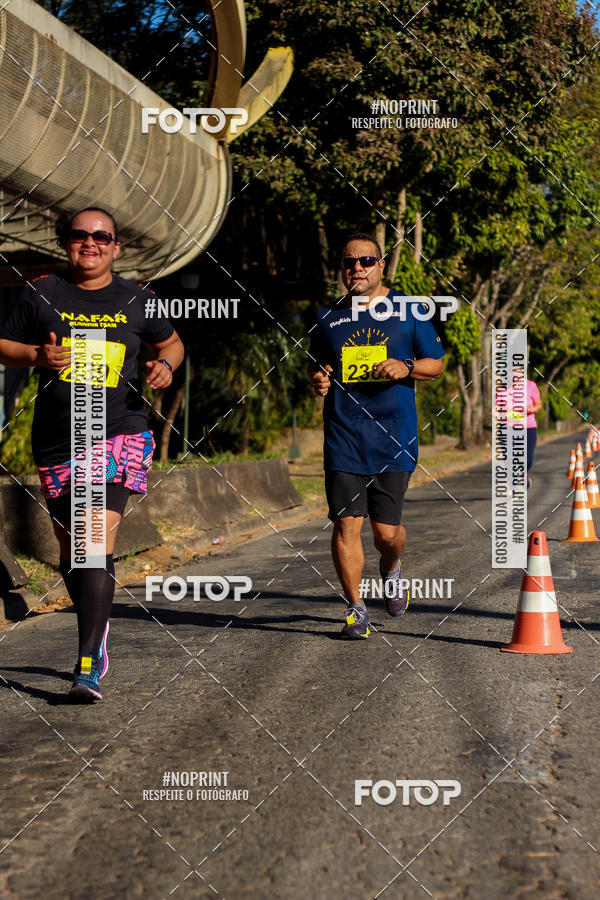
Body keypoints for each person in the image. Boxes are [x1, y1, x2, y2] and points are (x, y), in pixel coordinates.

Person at [0, 207, 184, 700]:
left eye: (101, 237)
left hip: (118, 433)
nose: (91, 243)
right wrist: (37, 356)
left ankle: (87, 664)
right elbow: (4, 345)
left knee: (91, 541)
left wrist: (165, 366)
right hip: (59, 438)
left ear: (116, 247)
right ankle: (96, 634)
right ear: (66, 243)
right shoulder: (42, 292)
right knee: (72, 553)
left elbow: (172, 344)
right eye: (80, 235)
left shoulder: (136, 298)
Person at [307, 232, 445, 639]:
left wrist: (406, 366)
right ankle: (356, 609)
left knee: (386, 533)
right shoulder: (327, 316)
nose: (357, 269)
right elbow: (318, 365)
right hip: (344, 433)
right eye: (349, 262)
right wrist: (318, 379)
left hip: (394, 435)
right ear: (341, 268)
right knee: (347, 524)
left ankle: (391, 567)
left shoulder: (408, 309)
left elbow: (435, 364)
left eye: (366, 261)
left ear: (381, 265)